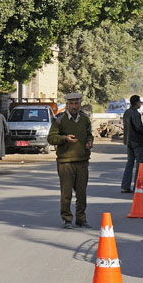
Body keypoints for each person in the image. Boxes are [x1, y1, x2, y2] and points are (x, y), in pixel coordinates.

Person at [47, 92, 94, 229]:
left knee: (81, 193)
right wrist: (64, 138)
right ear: (67, 105)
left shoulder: (85, 119)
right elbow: (51, 138)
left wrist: (89, 142)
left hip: (82, 160)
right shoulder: (60, 120)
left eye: (76, 103)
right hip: (65, 162)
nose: (74, 106)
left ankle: (81, 218)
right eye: (71, 103)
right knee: (66, 193)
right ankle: (67, 218)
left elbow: (89, 134)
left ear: (80, 105)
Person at [121, 94, 143, 193]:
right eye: (139, 102)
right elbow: (138, 128)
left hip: (129, 141)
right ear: (136, 103)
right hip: (137, 142)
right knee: (139, 164)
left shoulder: (127, 112)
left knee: (130, 163)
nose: (140, 104)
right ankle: (138, 186)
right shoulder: (135, 114)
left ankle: (125, 186)